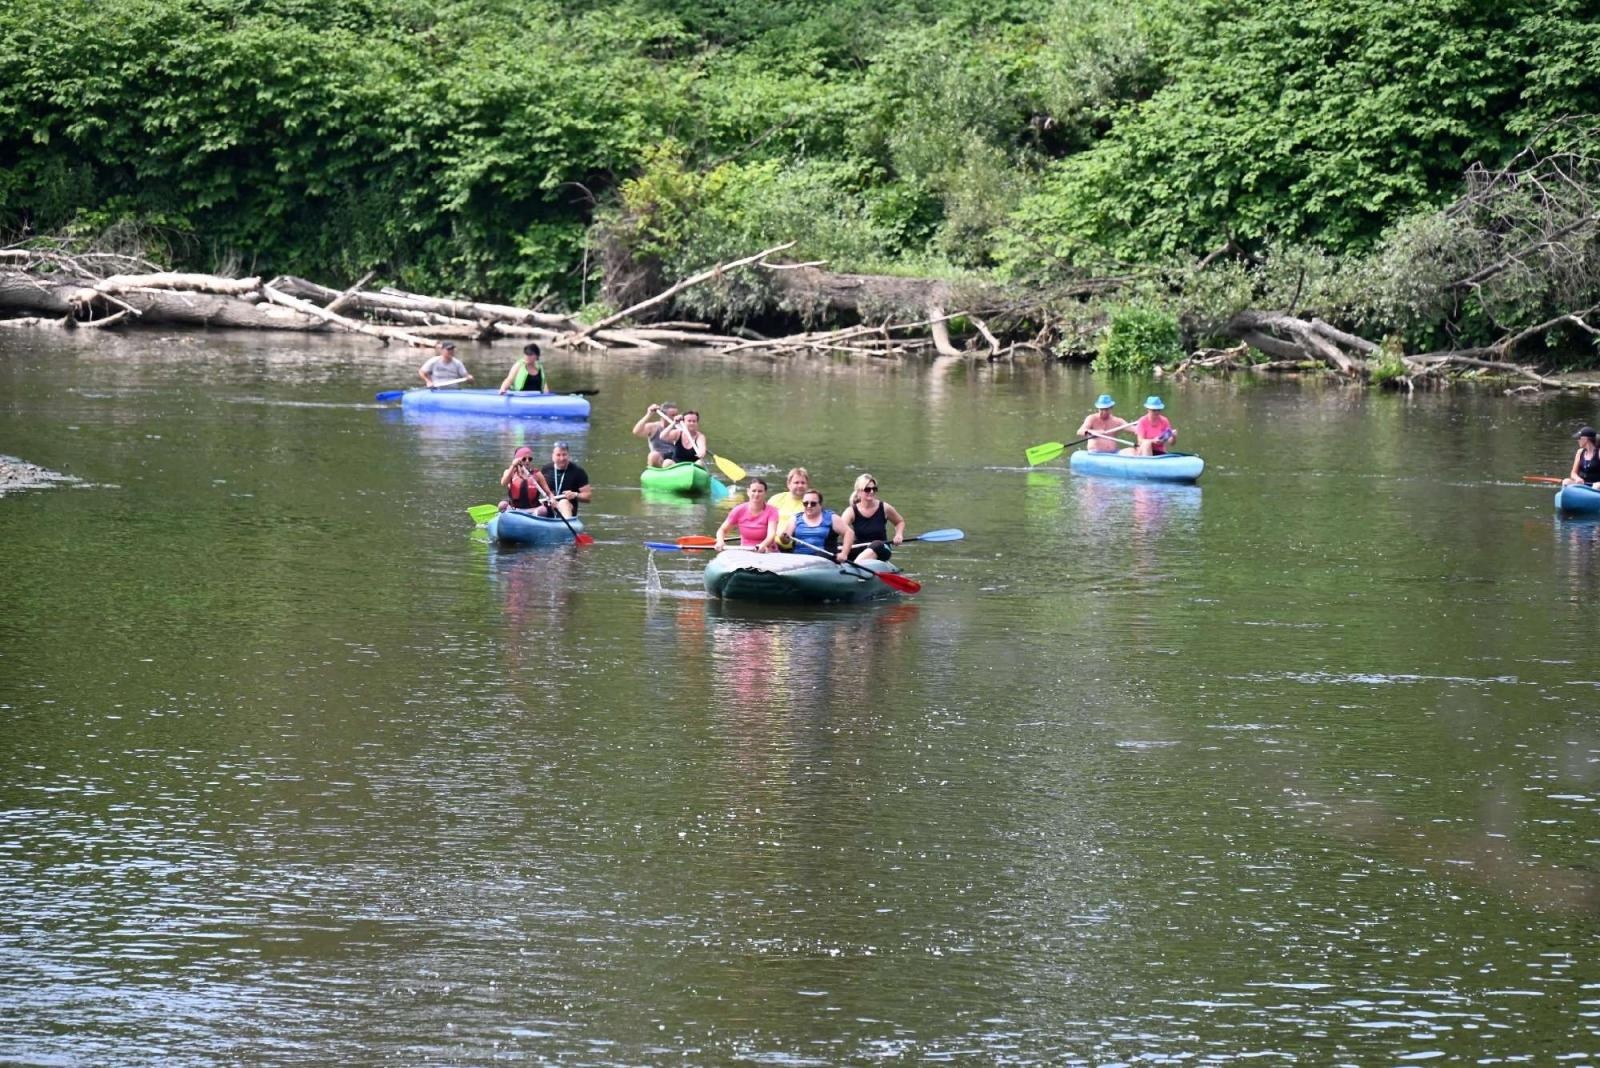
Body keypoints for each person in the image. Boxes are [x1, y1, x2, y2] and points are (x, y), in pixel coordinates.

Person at [837, 473, 905, 563]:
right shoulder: (851, 511)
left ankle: (856, 565)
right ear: (859, 492)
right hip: (860, 548)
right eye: (867, 489)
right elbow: (840, 529)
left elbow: (900, 522)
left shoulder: (884, 507)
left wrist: (898, 534)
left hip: (881, 548)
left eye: (874, 489)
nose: (872, 491)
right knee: (837, 546)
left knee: (877, 544)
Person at [778, 488, 849, 558]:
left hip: (824, 559)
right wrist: (783, 537)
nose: (809, 506)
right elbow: (785, 541)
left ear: (820, 504)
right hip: (799, 559)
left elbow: (848, 533)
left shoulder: (832, 518)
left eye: (813, 504)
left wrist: (844, 553)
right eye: (806, 503)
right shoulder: (795, 519)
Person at [714, 477, 778, 552]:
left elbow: (771, 534)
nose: (756, 494)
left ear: (765, 493)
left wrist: (763, 545)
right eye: (754, 491)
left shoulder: (772, 511)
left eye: (760, 491)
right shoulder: (738, 510)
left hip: (766, 551)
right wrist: (720, 541)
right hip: (745, 551)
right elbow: (722, 530)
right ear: (748, 492)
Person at [534, 441, 591, 519]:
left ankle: (567, 524)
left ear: (568, 455)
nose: (562, 458)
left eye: (564, 455)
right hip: (549, 506)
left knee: (563, 502)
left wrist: (575, 495)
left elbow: (588, 497)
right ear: (553, 456)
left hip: (568, 508)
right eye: (558, 455)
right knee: (539, 510)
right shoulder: (545, 470)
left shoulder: (578, 472)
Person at [498, 446, 554, 512]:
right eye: (524, 459)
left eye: (529, 459)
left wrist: (553, 500)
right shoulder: (510, 472)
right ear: (517, 460)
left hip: (533, 510)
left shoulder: (537, 474)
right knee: (502, 505)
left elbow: (548, 493)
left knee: (542, 511)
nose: (527, 461)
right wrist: (513, 466)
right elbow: (503, 483)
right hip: (515, 510)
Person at [632, 402, 681, 467]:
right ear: (663, 416)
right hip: (659, 459)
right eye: (673, 415)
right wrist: (649, 414)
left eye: (676, 415)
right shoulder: (653, 427)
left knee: (668, 462)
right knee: (653, 456)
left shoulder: (680, 427)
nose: (676, 417)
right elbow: (636, 431)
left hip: (674, 458)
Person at [766, 468, 811, 536]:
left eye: (803, 483)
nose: (800, 485)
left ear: (807, 485)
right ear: (788, 484)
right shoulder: (775, 499)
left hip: (795, 541)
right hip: (771, 540)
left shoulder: (812, 504)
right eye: (796, 482)